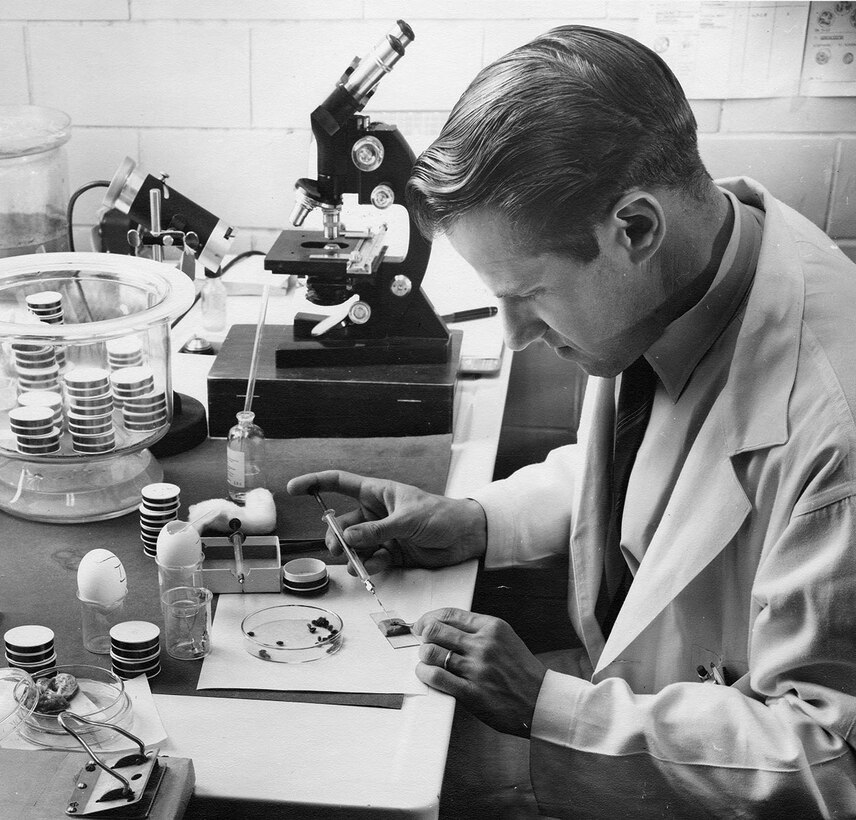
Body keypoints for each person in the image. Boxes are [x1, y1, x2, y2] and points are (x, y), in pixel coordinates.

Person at [287, 25, 856, 819]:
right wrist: (476, 519)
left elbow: (831, 762)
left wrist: (546, 706)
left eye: (528, 294)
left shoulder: (837, 427)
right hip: (637, 710)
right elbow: (657, 480)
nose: (516, 334)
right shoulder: (690, 270)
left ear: (636, 228)